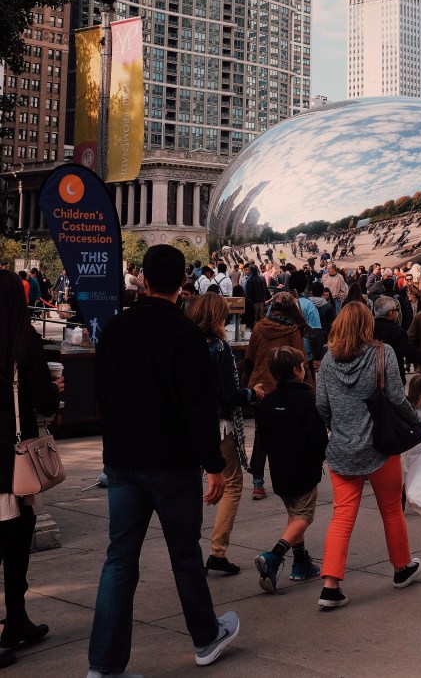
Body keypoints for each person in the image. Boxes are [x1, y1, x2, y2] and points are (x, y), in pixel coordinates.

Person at [86, 245, 239, 677]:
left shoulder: (114, 328)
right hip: (171, 463)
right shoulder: (185, 335)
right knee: (184, 555)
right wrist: (213, 465)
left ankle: (104, 665)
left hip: (122, 460)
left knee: (119, 558)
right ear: (182, 285)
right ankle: (205, 638)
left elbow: (103, 395)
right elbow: (197, 407)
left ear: (145, 281)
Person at [315, 303, 421, 609]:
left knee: (342, 516)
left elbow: (321, 404)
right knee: (391, 511)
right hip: (380, 447)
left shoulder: (328, 360)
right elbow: (397, 400)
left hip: (342, 450)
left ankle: (330, 585)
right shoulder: (383, 354)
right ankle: (401, 568)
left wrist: (338, 427)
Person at [0, 271, 62, 670]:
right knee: (15, 539)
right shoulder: (24, 343)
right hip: (10, 460)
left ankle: (18, 620)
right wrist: (54, 391)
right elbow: (45, 402)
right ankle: (16, 615)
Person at [187, 293, 257, 576]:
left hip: (187, 425)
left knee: (188, 487)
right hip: (219, 426)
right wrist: (252, 393)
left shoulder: (184, 345)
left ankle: (188, 549)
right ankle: (218, 550)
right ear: (216, 317)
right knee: (232, 485)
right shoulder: (219, 347)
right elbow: (230, 394)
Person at [255, 347, 328, 594]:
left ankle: (300, 561)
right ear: (298, 370)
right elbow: (317, 438)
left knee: (294, 514)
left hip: (279, 469)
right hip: (304, 468)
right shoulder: (308, 400)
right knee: (304, 516)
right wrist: (320, 458)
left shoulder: (268, 402)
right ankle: (274, 556)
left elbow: (262, 438)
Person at [243, 292, 311, 500]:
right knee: (289, 435)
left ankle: (257, 483)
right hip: (285, 388)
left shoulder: (259, 327)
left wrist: (248, 387)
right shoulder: (292, 329)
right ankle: (289, 479)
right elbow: (300, 360)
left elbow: (249, 359)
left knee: (262, 434)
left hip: (261, 386)